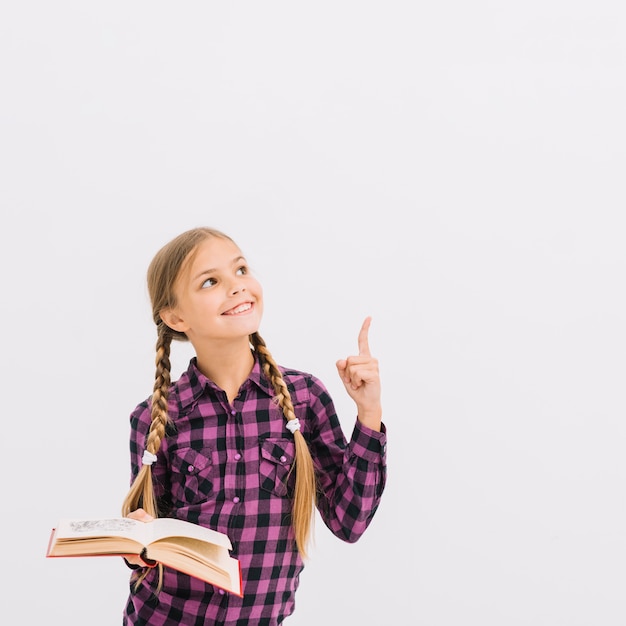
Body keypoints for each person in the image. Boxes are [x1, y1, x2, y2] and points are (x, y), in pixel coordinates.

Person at [121, 226, 387, 625]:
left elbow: (349, 522)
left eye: (241, 270)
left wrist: (369, 412)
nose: (236, 287)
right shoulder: (156, 417)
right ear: (176, 316)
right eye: (210, 281)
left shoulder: (305, 398)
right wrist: (136, 543)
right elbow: (146, 545)